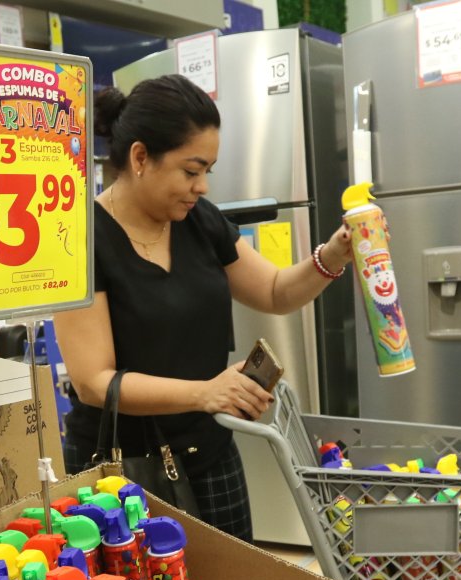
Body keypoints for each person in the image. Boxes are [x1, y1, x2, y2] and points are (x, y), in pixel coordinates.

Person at [53, 74, 353, 542]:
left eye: (208, 170)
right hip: (120, 469)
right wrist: (204, 392)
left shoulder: (199, 221)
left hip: (208, 452)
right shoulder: (80, 240)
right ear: (139, 158)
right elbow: (94, 382)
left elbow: (274, 291)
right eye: (191, 171)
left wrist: (332, 255)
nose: (203, 187)